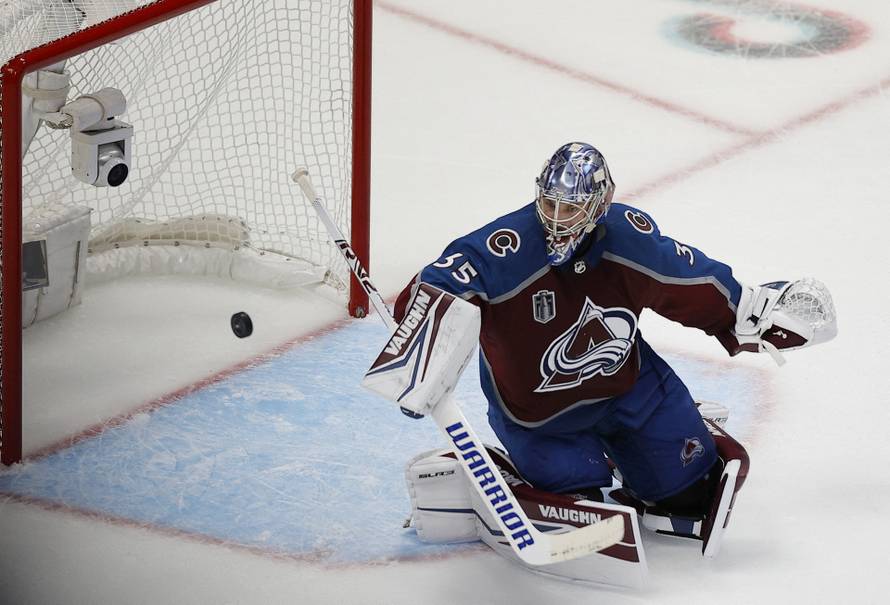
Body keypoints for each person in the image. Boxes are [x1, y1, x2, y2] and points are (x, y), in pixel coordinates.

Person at [392, 142, 827, 540]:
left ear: (600, 205)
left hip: (629, 389)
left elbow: (688, 281)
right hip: (540, 414)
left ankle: (633, 451)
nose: (558, 220)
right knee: (578, 511)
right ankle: (509, 473)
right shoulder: (502, 248)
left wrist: (749, 313)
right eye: (550, 204)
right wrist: (419, 336)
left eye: (572, 209)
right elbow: (437, 285)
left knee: (692, 496)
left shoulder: (626, 238)